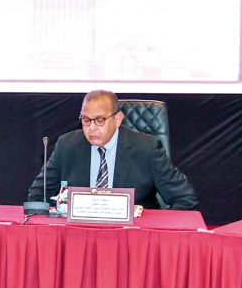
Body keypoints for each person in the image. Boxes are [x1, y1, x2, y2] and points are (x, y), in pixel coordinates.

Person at [28, 89, 197, 210]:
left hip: (132, 238)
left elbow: (185, 198)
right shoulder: (67, 145)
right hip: (79, 234)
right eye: (86, 120)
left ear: (117, 120)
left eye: (100, 120)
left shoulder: (147, 149)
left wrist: (157, 232)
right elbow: (38, 194)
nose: (92, 128)